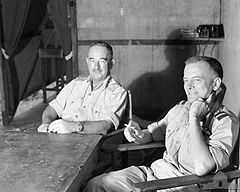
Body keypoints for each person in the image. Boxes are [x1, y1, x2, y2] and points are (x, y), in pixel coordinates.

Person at [84, 56, 239, 192]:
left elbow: (202, 167)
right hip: (154, 174)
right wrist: (139, 134)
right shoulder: (181, 108)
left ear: (216, 84)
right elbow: (154, 133)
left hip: (183, 185)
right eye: (185, 80)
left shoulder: (224, 121)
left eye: (196, 80)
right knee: (96, 185)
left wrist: (194, 117)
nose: (189, 86)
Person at [37, 41, 128, 135]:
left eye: (102, 61)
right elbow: (51, 109)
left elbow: (105, 126)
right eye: (92, 60)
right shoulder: (75, 84)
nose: (96, 67)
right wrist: (46, 124)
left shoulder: (117, 93)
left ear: (111, 63)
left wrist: (72, 127)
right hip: (60, 139)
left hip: (90, 145)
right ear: (87, 61)